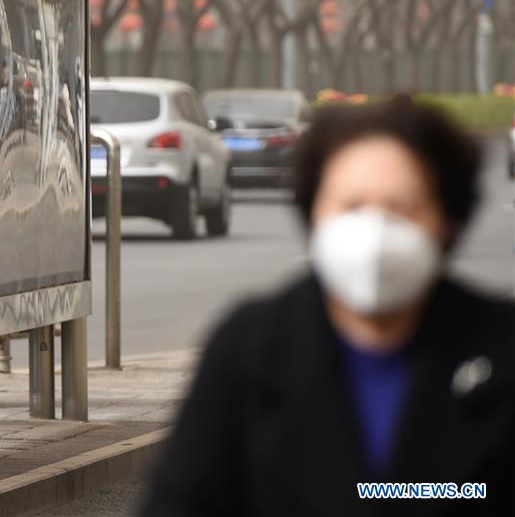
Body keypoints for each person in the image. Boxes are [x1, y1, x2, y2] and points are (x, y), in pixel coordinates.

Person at [141, 94, 515, 517]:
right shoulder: (251, 348)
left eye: (403, 208)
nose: (375, 230)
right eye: (352, 206)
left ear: (450, 222)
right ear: (313, 214)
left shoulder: (500, 351)